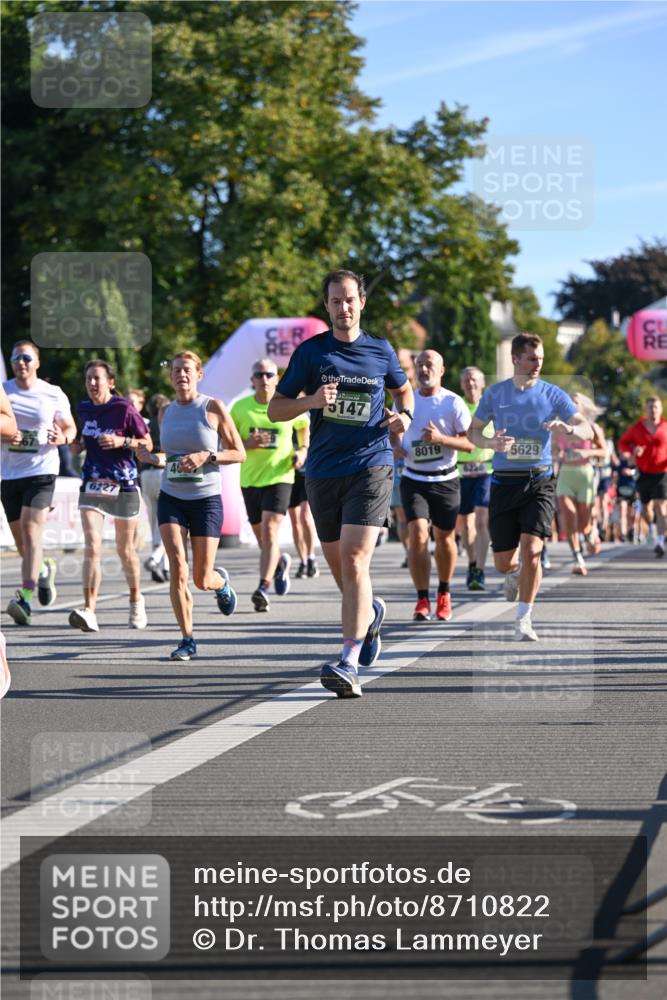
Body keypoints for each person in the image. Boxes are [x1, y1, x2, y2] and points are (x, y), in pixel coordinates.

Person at [268, 268, 414, 698]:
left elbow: (404, 392)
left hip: (372, 464)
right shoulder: (311, 353)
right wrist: (312, 401)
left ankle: (348, 662)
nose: (343, 307)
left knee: (354, 561)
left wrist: (404, 417)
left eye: (350, 299)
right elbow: (276, 409)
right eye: (335, 301)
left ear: (361, 302)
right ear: (327, 306)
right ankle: (370, 614)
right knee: (344, 572)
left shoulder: (380, 350)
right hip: (323, 471)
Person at [469, 333, 592, 642]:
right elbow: (473, 432)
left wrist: (568, 428)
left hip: (540, 481)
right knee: (504, 563)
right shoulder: (496, 394)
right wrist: (491, 443)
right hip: (504, 483)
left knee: (533, 550)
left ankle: (524, 618)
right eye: (532, 358)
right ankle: (513, 574)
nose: (538, 364)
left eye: (541, 359)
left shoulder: (552, 394)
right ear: (515, 359)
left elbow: (586, 428)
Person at [137, 351, 245, 660]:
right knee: (177, 567)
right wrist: (150, 458)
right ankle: (187, 639)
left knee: (201, 579)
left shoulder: (213, 408)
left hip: (205, 500)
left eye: (187, 370)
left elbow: (238, 453)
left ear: (199, 375)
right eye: (176, 370)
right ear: (170, 376)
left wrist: (206, 456)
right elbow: (169, 457)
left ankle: (220, 584)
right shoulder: (165, 412)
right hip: (172, 497)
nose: (181, 375)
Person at [68, 360, 151, 633]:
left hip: (123, 484)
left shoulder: (124, 408)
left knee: (125, 550)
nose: (92, 383)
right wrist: (76, 445)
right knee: (92, 545)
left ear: (111, 382)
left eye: (97, 378)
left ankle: (136, 599)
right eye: (88, 378)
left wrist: (122, 441)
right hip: (92, 483)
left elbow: (147, 443)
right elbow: (83, 440)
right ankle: (89, 610)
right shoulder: (84, 408)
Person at [393, 350, 473, 621]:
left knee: (445, 538)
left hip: (445, 480)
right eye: (419, 365)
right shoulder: (406, 400)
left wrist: (441, 439)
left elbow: (469, 444)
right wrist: (395, 446)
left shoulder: (453, 402)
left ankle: (444, 593)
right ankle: (422, 598)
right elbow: (394, 432)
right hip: (413, 478)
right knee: (417, 535)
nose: (424, 369)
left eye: (429, 365)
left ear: (441, 370)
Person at [2, 341, 77, 626]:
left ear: (37, 362)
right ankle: (43, 568)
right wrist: (7, 435)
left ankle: (25, 597)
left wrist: (64, 437)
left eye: (25, 357)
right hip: (9, 473)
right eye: (15, 358)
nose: (20, 362)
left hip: (42, 470)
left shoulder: (52, 393)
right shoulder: (4, 392)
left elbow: (70, 427)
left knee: (31, 530)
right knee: (21, 540)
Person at [231, 359, 309, 611]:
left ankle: (262, 587)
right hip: (250, 480)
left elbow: (304, 426)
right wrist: (248, 444)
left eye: (269, 374)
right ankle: (278, 565)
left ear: (276, 378)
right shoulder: (239, 408)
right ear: (252, 380)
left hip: (280, 477)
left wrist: (303, 450)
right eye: (259, 375)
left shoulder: (286, 405)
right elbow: (228, 444)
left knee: (270, 530)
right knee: (262, 538)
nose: (264, 379)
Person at [554, 393, 607, 576]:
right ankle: (577, 558)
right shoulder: (559, 428)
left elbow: (604, 451)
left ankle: (590, 532)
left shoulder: (592, 427)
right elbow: (553, 451)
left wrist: (588, 453)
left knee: (583, 524)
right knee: (568, 516)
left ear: (582, 406)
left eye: (575, 402)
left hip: (585, 475)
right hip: (565, 475)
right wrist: (558, 455)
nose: (571, 405)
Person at [458, 366, 494, 591]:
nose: (471, 384)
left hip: (485, 471)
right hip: (461, 471)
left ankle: (480, 569)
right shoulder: (457, 406)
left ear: (482, 384)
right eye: (467, 380)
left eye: (474, 380)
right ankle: (472, 562)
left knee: (481, 520)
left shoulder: (490, 407)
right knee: (466, 524)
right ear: (462, 384)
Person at [618, 396, 667, 558]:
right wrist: (631, 453)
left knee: (661, 507)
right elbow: (623, 444)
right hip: (644, 473)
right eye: (650, 407)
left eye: (656, 407)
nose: (653, 410)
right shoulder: (637, 428)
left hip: (662, 473)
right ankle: (653, 527)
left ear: (661, 409)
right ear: (646, 409)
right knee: (646, 509)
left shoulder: (665, 427)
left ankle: (660, 542)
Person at [140, 392, 170, 582]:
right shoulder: (168, 421)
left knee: (154, 523)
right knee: (168, 521)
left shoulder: (144, 425)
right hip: (163, 469)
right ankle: (156, 558)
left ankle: (164, 567)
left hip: (145, 473)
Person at [288, 414, 320, 580]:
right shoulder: (284, 413)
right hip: (288, 474)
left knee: (305, 516)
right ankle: (303, 560)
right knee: (294, 521)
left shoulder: (308, 415)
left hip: (308, 473)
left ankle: (311, 557)